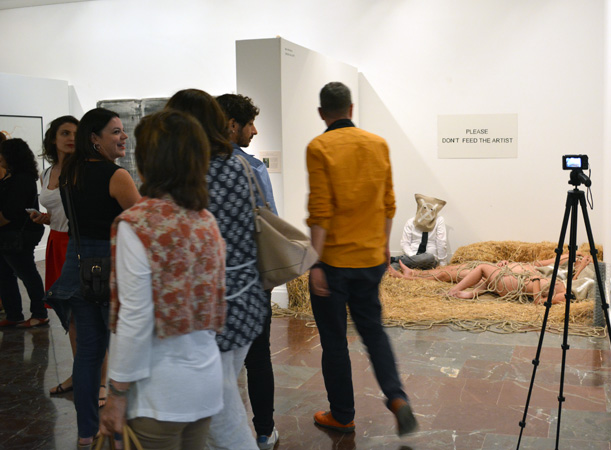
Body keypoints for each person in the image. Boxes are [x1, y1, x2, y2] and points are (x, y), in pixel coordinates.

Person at [99, 110, 226, 449]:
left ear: (147, 160)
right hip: (206, 381)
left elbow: (135, 318)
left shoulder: (137, 224)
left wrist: (116, 392)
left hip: (158, 391)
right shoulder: (206, 221)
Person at [306, 82, 418, 436]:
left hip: (333, 263)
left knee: (334, 341)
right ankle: (396, 397)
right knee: (374, 332)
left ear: (322, 113)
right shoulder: (377, 144)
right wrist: (383, 246)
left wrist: (315, 262)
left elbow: (320, 210)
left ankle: (342, 415)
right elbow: (389, 203)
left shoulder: (319, 147)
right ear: (351, 109)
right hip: (369, 259)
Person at [166, 89, 267, 450]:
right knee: (218, 401)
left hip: (214, 307)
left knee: (220, 411)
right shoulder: (239, 165)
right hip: (244, 298)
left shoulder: (194, 173)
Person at [47, 108, 140, 448]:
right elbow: (142, 223)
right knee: (125, 352)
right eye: (115, 131)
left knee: (87, 354)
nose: (123, 136)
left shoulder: (69, 174)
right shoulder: (117, 176)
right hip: (113, 269)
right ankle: (121, 433)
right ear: (95, 139)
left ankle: (86, 433)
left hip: (79, 268)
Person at [216, 93, 279, 449]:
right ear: (232, 125)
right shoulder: (250, 168)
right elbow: (268, 219)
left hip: (210, 283)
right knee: (258, 357)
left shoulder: (192, 169)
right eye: (250, 123)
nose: (254, 131)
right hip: (249, 279)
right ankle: (263, 431)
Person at [389, 252, 588, 305]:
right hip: (507, 273)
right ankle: (413, 274)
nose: (578, 260)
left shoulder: (564, 289)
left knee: (480, 268)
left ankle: (454, 292)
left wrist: (534, 280)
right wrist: (509, 264)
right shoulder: (555, 270)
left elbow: (540, 302)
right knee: (452, 272)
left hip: (509, 281)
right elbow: (538, 263)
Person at [0, 138, 48, 328]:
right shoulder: (11, 176)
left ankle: (40, 313)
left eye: (2, 153)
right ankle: (14, 315)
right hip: (9, 235)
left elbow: (11, 212)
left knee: (27, 274)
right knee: (5, 275)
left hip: (17, 235)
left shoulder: (22, 179)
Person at [392, 194, 447, 270]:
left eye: (430, 209)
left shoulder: (439, 220)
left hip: (429, 260)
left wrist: (442, 263)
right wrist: (413, 257)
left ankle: (396, 259)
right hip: (411, 256)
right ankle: (398, 262)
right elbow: (405, 243)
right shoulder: (410, 222)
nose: (427, 211)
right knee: (392, 268)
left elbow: (441, 242)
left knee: (429, 257)